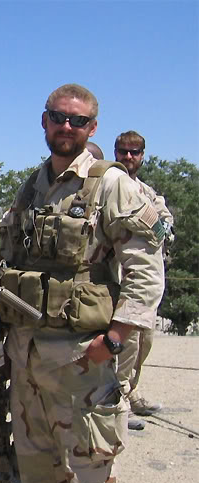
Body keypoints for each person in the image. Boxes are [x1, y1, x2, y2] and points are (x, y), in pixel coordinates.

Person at [0, 84, 165, 483]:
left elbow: (146, 271)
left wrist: (114, 340)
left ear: (93, 127)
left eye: (78, 121)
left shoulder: (112, 184)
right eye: (58, 117)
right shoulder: (31, 187)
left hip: (81, 363)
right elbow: (8, 261)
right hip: (27, 362)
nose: (66, 127)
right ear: (44, 121)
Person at [114, 130, 173, 429]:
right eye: (123, 151)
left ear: (142, 156)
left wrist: (164, 228)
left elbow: (165, 221)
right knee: (127, 341)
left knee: (144, 340)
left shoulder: (147, 192)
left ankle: (131, 391)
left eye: (134, 152)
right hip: (120, 278)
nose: (128, 157)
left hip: (147, 279)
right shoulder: (111, 185)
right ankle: (118, 401)